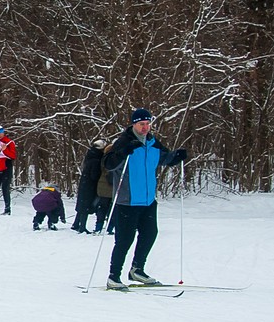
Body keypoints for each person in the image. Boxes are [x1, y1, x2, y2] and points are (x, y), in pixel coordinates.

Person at [101, 108, 187, 290]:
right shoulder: (124, 141)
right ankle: (113, 276)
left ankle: (137, 270)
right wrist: (124, 151)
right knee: (124, 240)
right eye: (142, 124)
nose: (145, 127)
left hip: (148, 200)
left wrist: (176, 157)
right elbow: (108, 164)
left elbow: (164, 158)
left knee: (149, 234)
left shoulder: (152, 143)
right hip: (127, 200)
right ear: (134, 124)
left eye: (148, 124)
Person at [71, 140, 106, 233]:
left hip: (85, 184)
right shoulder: (96, 160)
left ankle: (76, 224)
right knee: (86, 206)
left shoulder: (90, 156)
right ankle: (82, 227)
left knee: (82, 205)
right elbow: (94, 175)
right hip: (90, 186)